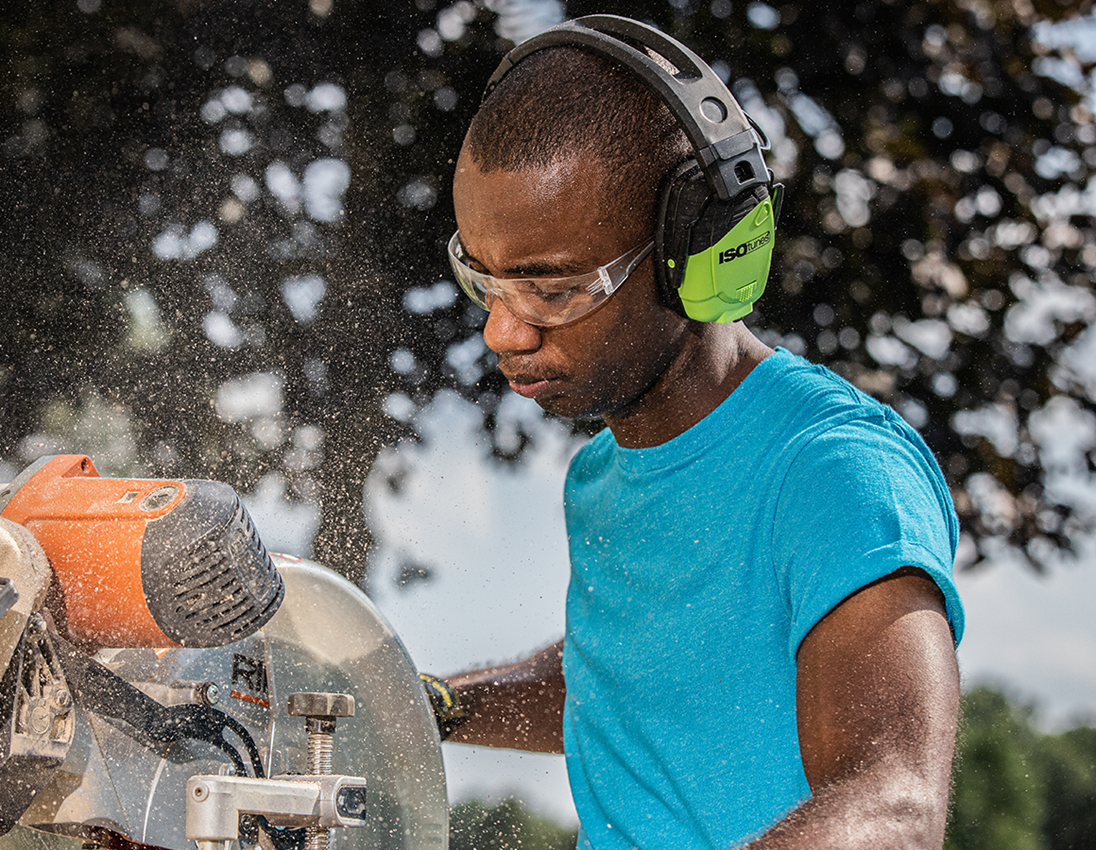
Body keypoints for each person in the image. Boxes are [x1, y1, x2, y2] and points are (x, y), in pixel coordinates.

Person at [420, 15, 964, 850]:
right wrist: (424, 703)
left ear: (700, 251)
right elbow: (625, 688)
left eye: (554, 289)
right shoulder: (601, 478)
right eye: (482, 277)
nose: (502, 331)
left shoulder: (833, 472)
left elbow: (892, 801)